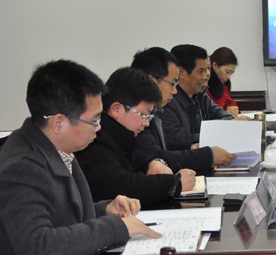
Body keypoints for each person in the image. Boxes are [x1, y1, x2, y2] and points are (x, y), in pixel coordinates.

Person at [0, 60, 159, 255]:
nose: (100, 128)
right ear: (59, 122)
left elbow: (61, 215)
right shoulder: (20, 167)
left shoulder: (55, 148)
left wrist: (105, 209)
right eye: (94, 120)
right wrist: (117, 227)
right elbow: (38, 247)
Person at [75, 67, 197, 205]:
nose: (146, 123)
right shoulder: (94, 139)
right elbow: (122, 185)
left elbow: (135, 157)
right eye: (143, 115)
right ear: (116, 109)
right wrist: (174, 184)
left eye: (149, 116)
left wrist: (152, 163)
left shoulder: (119, 135)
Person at [132, 47, 234, 169]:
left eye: (208, 69)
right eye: (172, 83)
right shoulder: (146, 111)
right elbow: (158, 156)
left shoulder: (198, 95)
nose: (174, 91)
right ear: (153, 80)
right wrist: (207, 154)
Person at [161, 44, 249, 151]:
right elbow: (176, 139)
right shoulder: (168, 100)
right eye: (202, 71)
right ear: (182, 72)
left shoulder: (200, 95)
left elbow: (219, 113)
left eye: (208, 69)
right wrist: (219, 132)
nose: (207, 75)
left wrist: (233, 122)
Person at [207, 46, 240, 116]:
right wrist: (224, 113)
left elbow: (230, 103)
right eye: (227, 72)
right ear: (214, 65)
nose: (229, 77)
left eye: (231, 73)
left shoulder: (224, 85)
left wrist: (233, 110)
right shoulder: (203, 86)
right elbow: (205, 115)